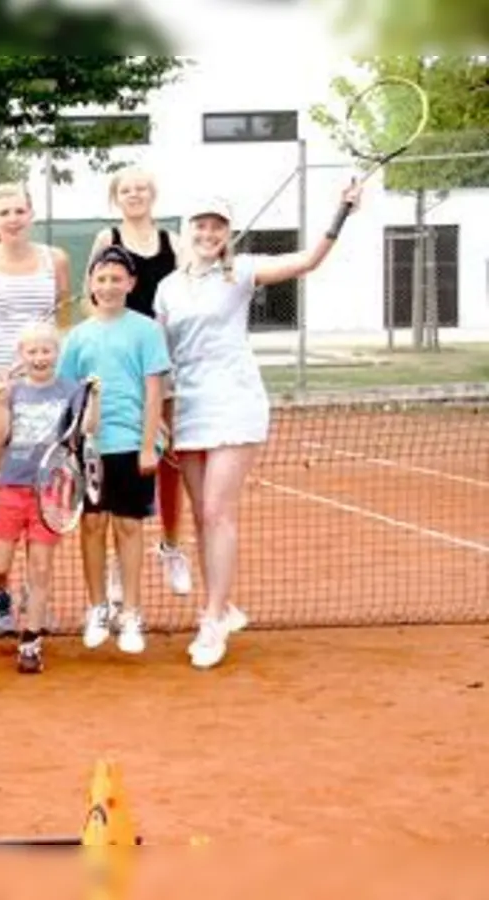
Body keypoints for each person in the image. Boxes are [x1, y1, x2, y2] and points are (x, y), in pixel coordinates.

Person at [156, 185, 361, 670]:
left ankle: (210, 620)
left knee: (217, 511)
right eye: (200, 225)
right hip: (188, 408)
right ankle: (221, 606)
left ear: (228, 235)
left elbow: (309, 261)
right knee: (203, 517)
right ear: (186, 232)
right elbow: (161, 359)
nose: (208, 233)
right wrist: (161, 417)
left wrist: (342, 210)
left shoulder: (243, 272)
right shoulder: (167, 288)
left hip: (235, 402)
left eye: (217, 226)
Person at [0, 182, 71, 635]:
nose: (13, 218)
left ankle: (34, 590)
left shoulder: (54, 259)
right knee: (10, 486)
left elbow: (63, 322)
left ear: (31, 214)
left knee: (43, 490)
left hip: (44, 385)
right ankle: (2, 589)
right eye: (4, 211)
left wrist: (60, 378)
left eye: (20, 210)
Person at [85, 169, 194, 601]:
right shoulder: (106, 237)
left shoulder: (173, 242)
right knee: (116, 456)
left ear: (154, 194)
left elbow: (189, 293)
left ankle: (170, 546)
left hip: (161, 361)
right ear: (116, 197)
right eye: (126, 189)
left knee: (169, 456)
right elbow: (92, 294)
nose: (135, 195)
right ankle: (117, 561)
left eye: (142, 188)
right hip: (117, 364)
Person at [58, 246, 172, 658]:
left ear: (131, 284)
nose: (108, 286)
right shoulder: (77, 337)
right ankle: (97, 609)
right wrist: (72, 446)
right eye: (101, 278)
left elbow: (155, 390)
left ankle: (131, 613)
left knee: (128, 528)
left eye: (116, 278)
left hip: (131, 446)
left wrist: (147, 446)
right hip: (90, 451)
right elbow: (67, 395)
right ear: (91, 284)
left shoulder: (146, 330)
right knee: (92, 527)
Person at [0, 322, 88, 674]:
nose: (40, 357)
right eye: (32, 351)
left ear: (57, 354)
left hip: (49, 491)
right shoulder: (12, 391)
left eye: (46, 350)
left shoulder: (72, 390)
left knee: (40, 567)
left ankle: (30, 642)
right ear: (21, 355)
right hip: (11, 484)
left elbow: (86, 430)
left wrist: (95, 397)